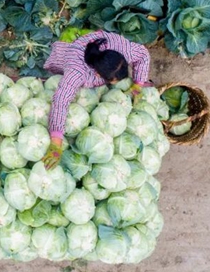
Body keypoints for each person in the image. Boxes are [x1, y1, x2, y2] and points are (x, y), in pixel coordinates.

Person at [41, 30, 152, 170]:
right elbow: (61, 100)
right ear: (98, 75)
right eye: (114, 80)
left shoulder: (122, 49)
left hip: (91, 45)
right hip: (68, 53)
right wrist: (56, 141)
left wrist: (138, 84)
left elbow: (143, 54)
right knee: (58, 68)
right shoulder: (76, 71)